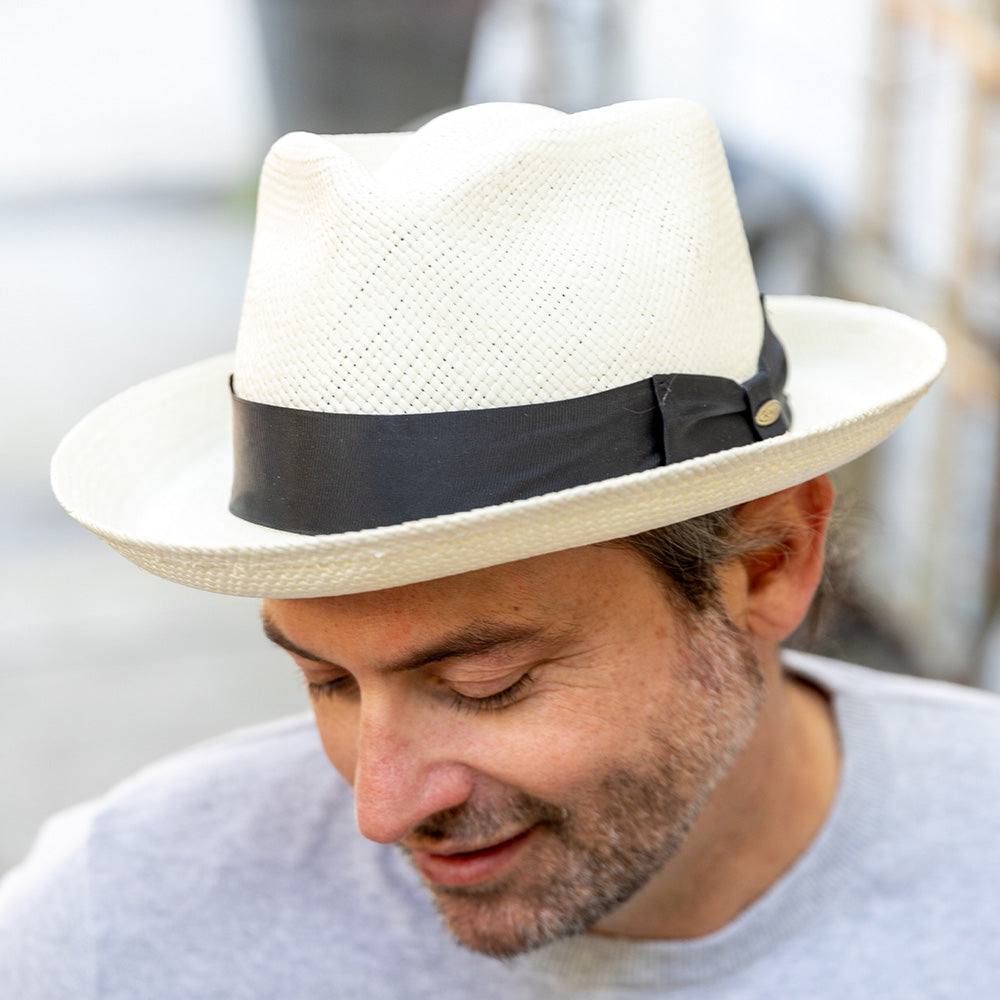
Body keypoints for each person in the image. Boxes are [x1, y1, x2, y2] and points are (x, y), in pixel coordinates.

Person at [1, 99, 996, 998]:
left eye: (485, 683)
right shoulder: (113, 927)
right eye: (327, 681)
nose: (382, 809)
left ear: (768, 559)